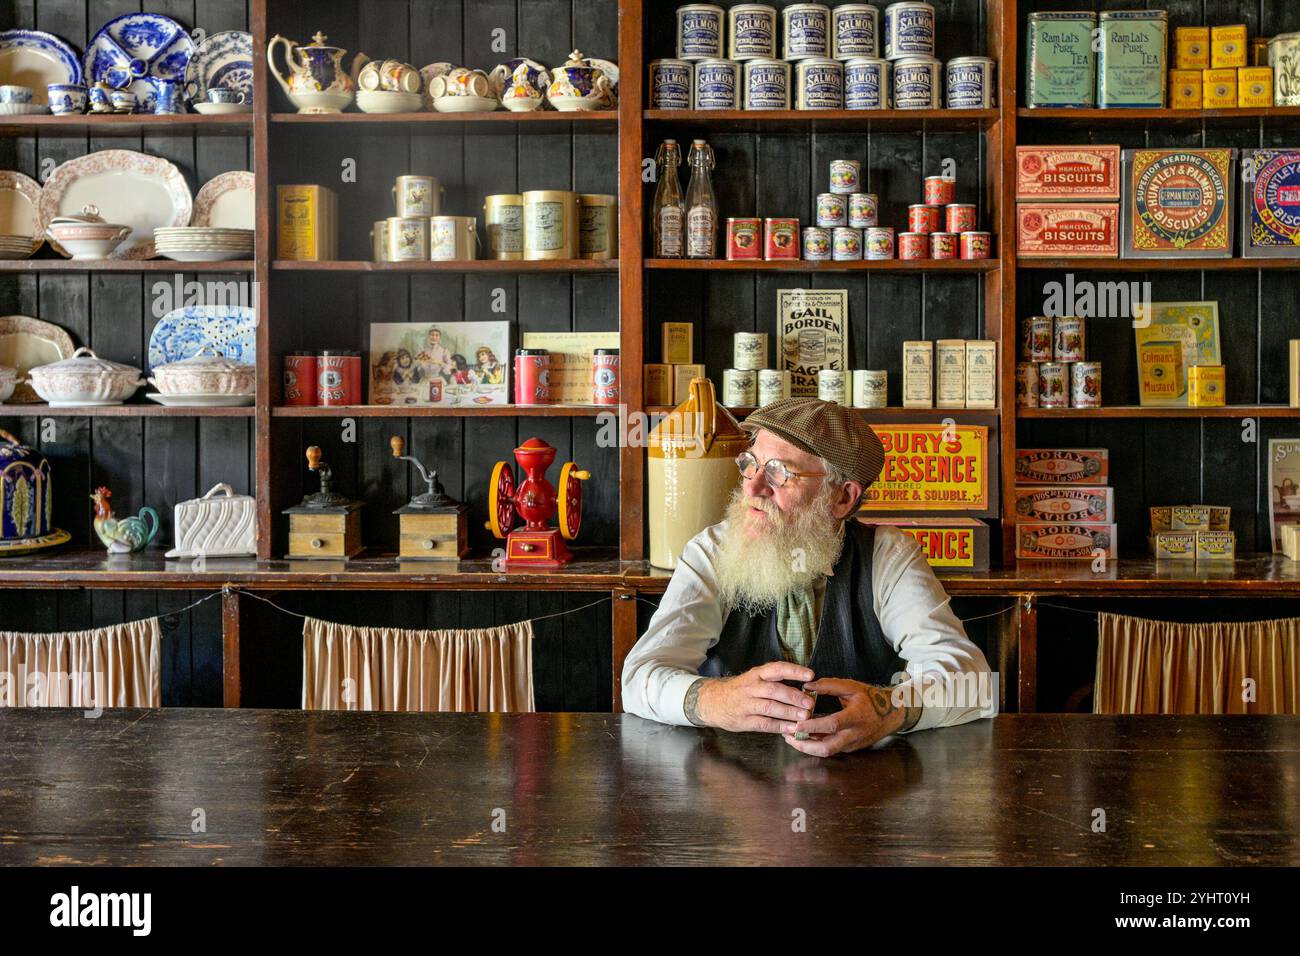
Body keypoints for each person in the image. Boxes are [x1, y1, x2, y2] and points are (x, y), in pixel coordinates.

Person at [622, 397, 995, 757]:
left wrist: (890, 708)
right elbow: (639, 679)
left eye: (779, 473)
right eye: (750, 464)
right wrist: (715, 700)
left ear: (843, 498)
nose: (752, 487)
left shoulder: (886, 555)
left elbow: (972, 683)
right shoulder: (713, 551)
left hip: (864, 789)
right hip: (731, 789)